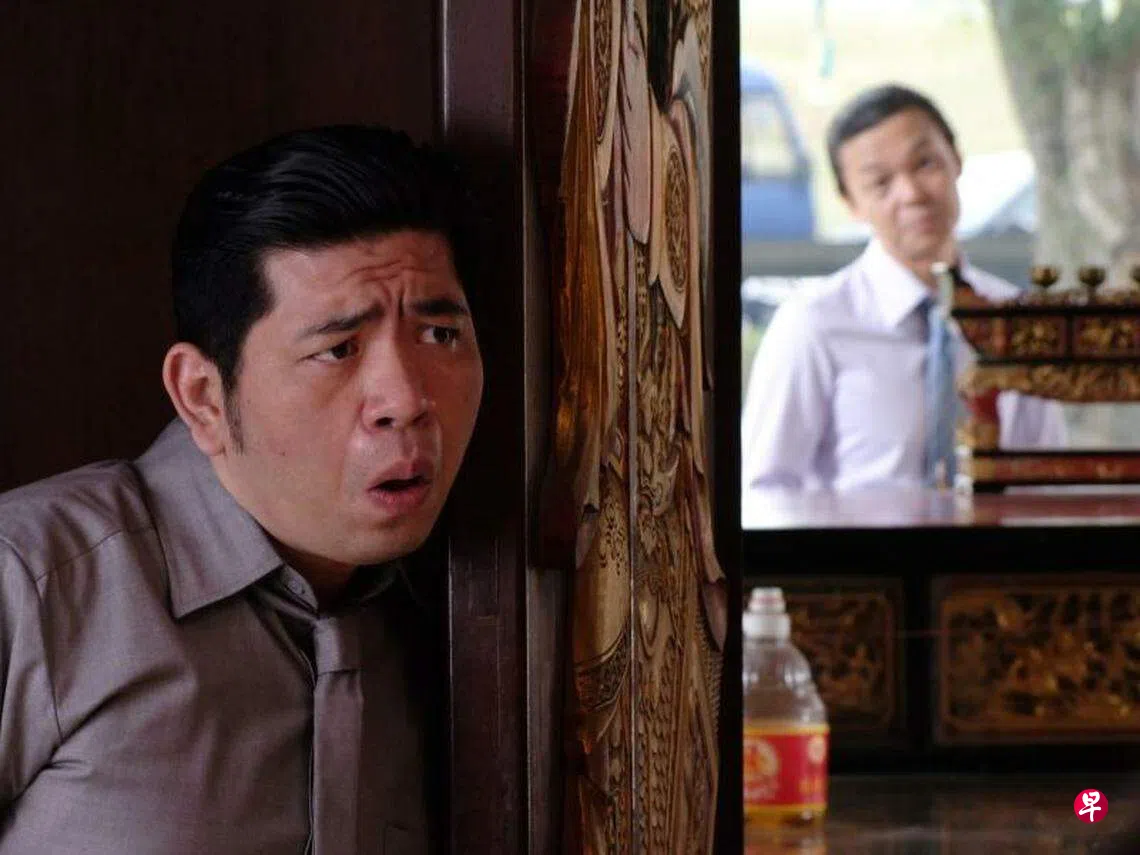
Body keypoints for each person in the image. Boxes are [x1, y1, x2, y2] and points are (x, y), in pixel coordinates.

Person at [0, 125, 484, 854]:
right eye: (338, 350)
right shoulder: (34, 584)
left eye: (439, 335)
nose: (406, 400)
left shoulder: (455, 611)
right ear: (202, 396)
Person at [741, 84, 1066, 494]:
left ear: (956, 159)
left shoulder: (1015, 320)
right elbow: (765, 490)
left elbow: (1047, 481)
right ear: (850, 202)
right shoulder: (813, 325)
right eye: (880, 182)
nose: (912, 194)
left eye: (925, 163)